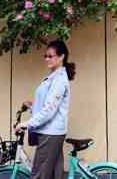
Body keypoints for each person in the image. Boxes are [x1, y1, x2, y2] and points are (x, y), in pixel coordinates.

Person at [16, 39, 76, 179]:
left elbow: (49, 110)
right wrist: (32, 106)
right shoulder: (52, 77)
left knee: (39, 175)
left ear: (61, 56)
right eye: (46, 56)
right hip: (51, 132)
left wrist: (26, 123)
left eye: (51, 56)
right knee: (55, 174)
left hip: (50, 133)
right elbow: (47, 105)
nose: (47, 59)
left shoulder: (59, 79)